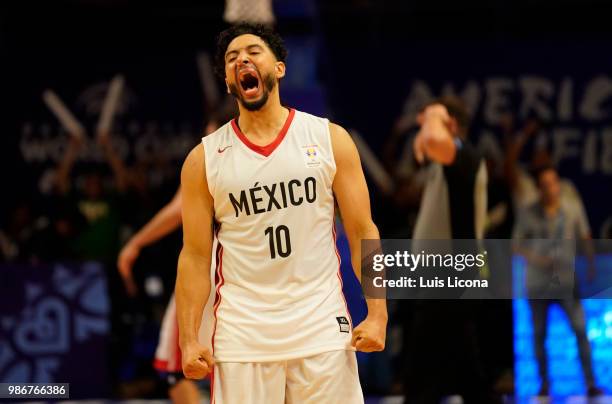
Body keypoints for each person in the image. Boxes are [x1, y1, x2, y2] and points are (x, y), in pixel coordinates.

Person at [175, 23, 387, 403]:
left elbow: (362, 230)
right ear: (228, 81)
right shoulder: (203, 160)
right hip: (243, 336)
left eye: (253, 52)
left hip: (321, 326)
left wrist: (378, 313)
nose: (242, 60)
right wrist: (189, 340)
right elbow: (193, 256)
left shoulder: (329, 139)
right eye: (231, 58)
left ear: (279, 68)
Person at [405, 96, 490, 403]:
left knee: (422, 374)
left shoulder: (466, 158)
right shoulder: (447, 160)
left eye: (433, 119)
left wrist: (433, 115)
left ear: (451, 125)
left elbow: (430, 138)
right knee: (467, 374)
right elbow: (425, 145)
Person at [513, 164, 602, 397]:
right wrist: (538, 259)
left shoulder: (571, 209)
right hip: (538, 283)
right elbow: (515, 245)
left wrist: (591, 264)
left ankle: (591, 382)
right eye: (544, 185)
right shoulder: (528, 212)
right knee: (539, 334)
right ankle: (544, 383)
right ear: (538, 189)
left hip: (566, 280)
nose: (550, 189)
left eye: (553, 184)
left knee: (580, 329)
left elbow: (585, 235)